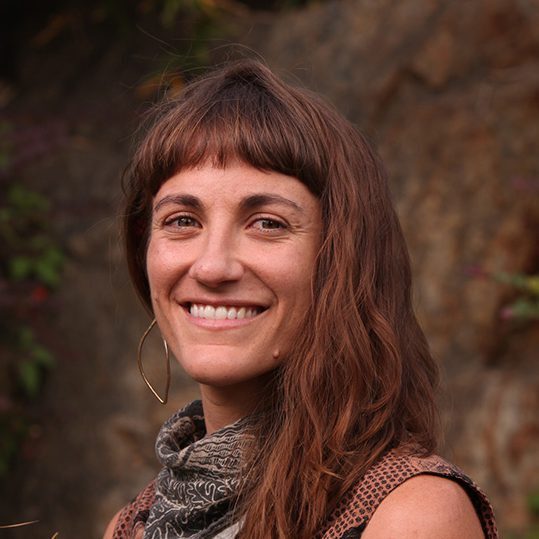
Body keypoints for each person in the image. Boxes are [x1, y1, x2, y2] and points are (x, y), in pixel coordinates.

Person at [104, 59, 498, 538]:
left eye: (267, 223)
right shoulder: (130, 528)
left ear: (342, 259)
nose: (211, 267)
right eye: (182, 220)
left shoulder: (409, 514)